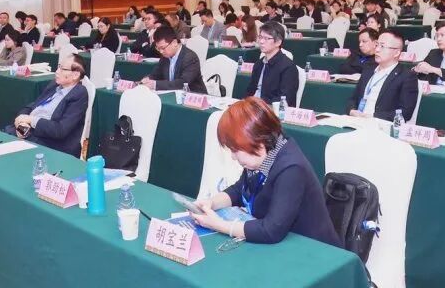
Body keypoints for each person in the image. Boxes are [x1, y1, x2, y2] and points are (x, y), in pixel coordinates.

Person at [189, 97, 340, 247]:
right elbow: (239, 191)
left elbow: (271, 230)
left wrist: (219, 225)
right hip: (288, 244)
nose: (233, 157)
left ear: (258, 142)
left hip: (315, 250)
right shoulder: (262, 156)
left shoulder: (292, 169)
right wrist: (212, 203)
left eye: (235, 150)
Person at [6, 56, 90, 158]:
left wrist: (30, 120)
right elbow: (32, 106)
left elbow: (60, 130)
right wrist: (22, 124)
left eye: (62, 69)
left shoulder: (79, 93)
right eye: (58, 67)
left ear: (75, 75)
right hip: (29, 132)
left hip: (50, 144)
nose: (57, 72)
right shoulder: (54, 86)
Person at [347, 29, 418, 121]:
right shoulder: (368, 69)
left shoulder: (406, 76)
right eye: (377, 45)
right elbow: (353, 98)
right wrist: (352, 111)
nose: (377, 49)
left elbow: (405, 113)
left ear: (396, 53)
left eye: (382, 46)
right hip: (356, 120)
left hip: (380, 124)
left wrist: (373, 117)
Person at [244, 22, 298, 106]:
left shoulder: (288, 67)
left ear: (278, 42)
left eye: (266, 38)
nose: (261, 41)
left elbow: (284, 99)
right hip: (254, 107)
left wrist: (259, 105)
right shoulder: (258, 64)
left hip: (271, 110)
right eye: (260, 37)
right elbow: (249, 91)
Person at [141, 26, 207, 93]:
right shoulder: (165, 56)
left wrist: (155, 84)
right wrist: (147, 79)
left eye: (163, 48)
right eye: (158, 48)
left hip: (194, 95)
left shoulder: (190, 57)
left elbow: (183, 83)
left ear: (174, 43)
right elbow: (156, 74)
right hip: (173, 93)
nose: (161, 51)